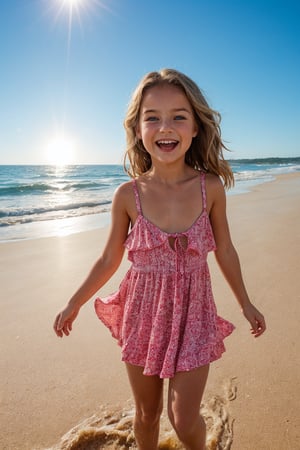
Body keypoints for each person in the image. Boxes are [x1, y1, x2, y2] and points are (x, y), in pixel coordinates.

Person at [53, 68, 266, 450]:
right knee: (147, 414)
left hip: (194, 311)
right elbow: (108, 259)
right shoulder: (127, 195)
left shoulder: (210, 188)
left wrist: (245, 303)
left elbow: (226, 250)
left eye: (178, 116)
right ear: (137, 129)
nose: (165, 127)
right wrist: (74, 302)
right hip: (143, 313)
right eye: (152, 117)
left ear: (196, 128)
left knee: (183, 420)